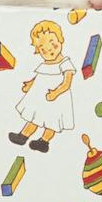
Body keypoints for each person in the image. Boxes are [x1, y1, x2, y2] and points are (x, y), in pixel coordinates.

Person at [10, 20, 75, 153]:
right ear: (38, 50)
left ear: (60, 40)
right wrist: (30, 84)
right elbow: (39, 77)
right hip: (39, 98)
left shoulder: (65, 63)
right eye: (43, 49)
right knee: (34, 118)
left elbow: (67, 83)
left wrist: (56, 93)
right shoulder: (45, 63)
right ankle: (23, 136)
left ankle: (44, 141)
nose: (48, 50)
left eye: (52, 44)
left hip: (55, 99)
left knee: (51, 122)